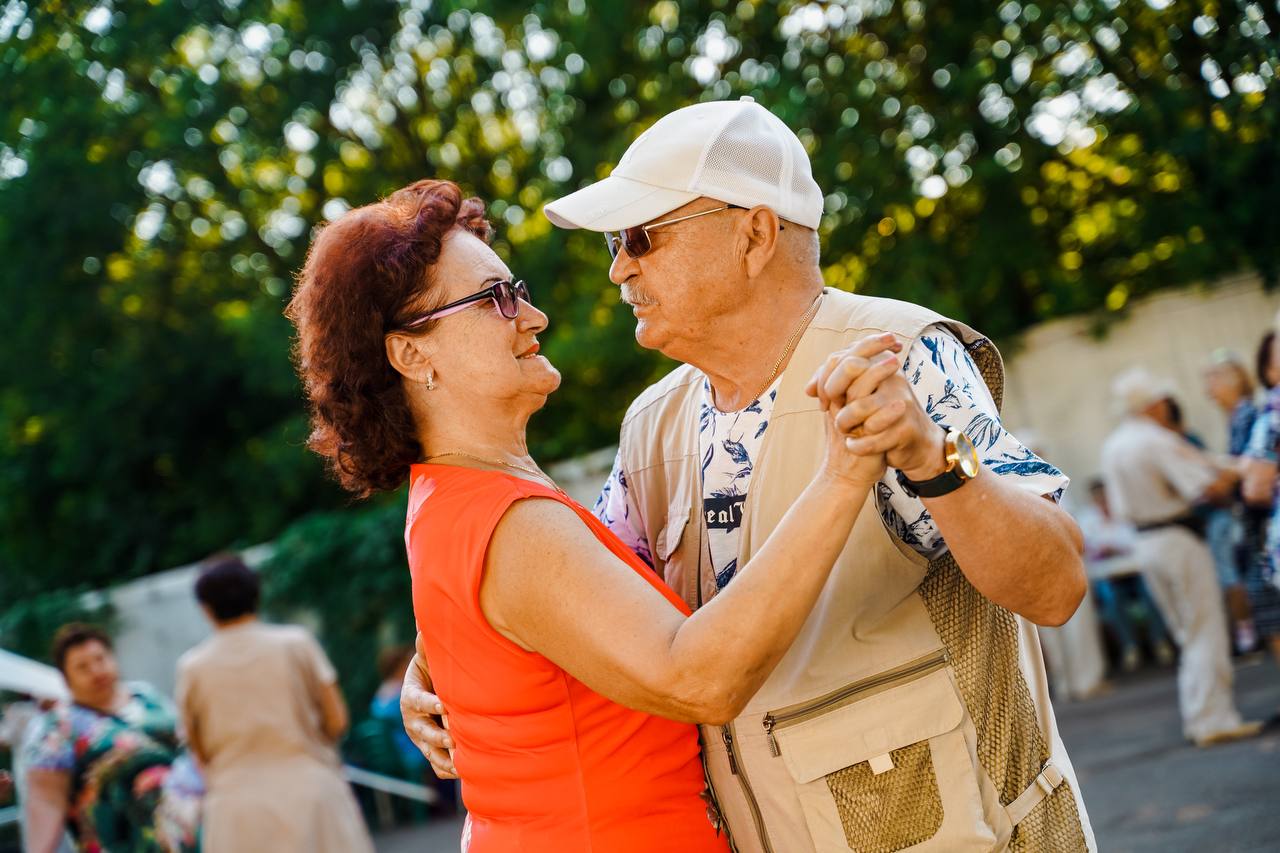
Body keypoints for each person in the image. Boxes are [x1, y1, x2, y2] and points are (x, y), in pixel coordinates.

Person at [407, 98, 1094, 851]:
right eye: (614, 241)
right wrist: (435, 669)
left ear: (755, 233)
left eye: (640, 236)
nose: (618, 267)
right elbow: (574, 591)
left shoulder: (902, 351)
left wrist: (936, 457)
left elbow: (1056, 583)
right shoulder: (652, 424)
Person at [287, 177, 892, 852]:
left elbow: (505, 631)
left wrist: (427, 671)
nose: (532, 315)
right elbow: (700, 676)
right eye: (495, 298)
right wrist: (846, 472)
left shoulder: (459, 502)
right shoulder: (510, 523)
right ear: (412, 353)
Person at [1100, 367, 1263, 746]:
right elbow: (1203, 487)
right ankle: (1214, 719)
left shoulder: (1115, 444)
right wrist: (1239, 476)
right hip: (1175, 535)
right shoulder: (1154, 440)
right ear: (1154, 404)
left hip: (1144, 543)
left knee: (1185, 631)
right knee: (1203, 626)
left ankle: (1199, 716)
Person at [175, 554, 373, 853]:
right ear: (257, 593)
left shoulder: (192, 667)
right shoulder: (296, 643)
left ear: (205, 608)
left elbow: (196, 746)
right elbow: (337, 720)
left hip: (235, 808)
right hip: (311, 793)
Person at [21, 624, 198, 853]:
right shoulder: (56, 728)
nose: (96, 670)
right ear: (65, 678)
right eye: (82, 667)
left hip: (189, 833)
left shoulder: (146, 696)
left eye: (100, 659)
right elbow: (46, 801)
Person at [1075, 479, 1174, 671]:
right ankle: (1130, 646)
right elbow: (1089, 547)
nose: (1103, 502)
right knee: (1113, 601)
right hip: (1109, 577)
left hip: (1135, 572)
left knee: (1150, 594)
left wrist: (1116, 547)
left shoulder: (1124, 512)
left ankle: (1159, 640)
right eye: (1098, 499)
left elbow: (1135, 541)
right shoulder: (1087, 520)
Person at [1203, 351, 1261, 653]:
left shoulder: (1247, 414)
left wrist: (1213, 467)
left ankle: (1247, 632)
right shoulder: (1237, 416)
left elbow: (1248, 466)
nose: (1207, 387)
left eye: (1213, 377)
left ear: (1235, 377)